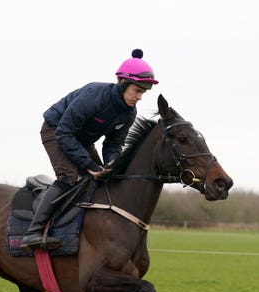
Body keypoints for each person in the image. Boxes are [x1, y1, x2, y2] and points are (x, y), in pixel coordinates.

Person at [19, 49, 159, 250]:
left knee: (103, 178)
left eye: (143, 93)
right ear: (123, 83)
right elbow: (64, 133)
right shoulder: (94, 96)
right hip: (55, 131)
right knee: (68, 177)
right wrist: (89, 164)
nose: (139, 97)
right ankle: (33, 232)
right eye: (137, 91)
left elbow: (113, 144)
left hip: (81, 140)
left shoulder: (129, 113)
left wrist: (111, 163)